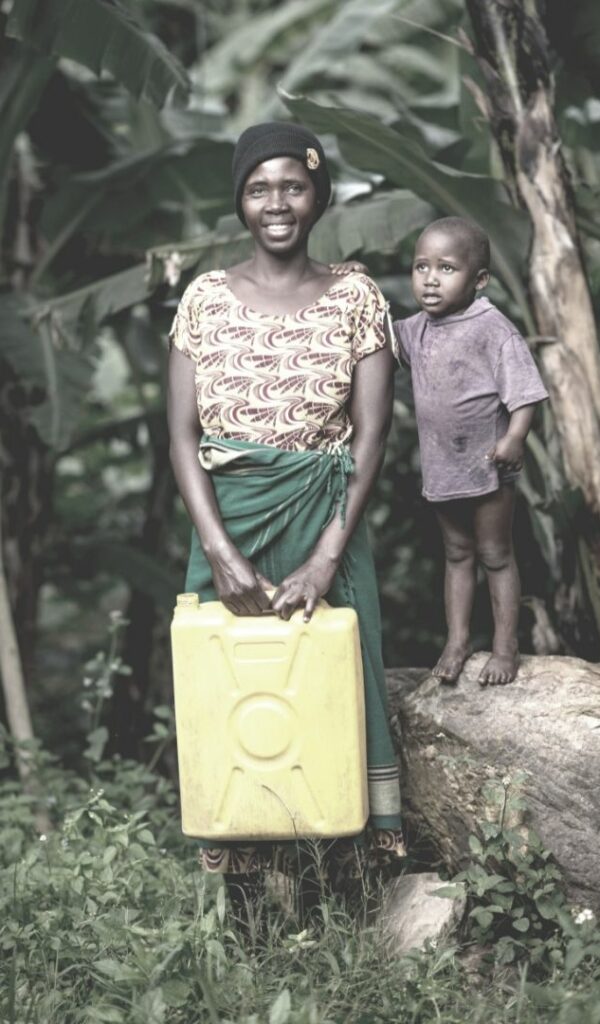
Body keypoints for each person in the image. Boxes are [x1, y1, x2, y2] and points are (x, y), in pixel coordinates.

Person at [167, 122, 404, 932]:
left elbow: (373, 435)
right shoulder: (203, 297)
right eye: (260, 187)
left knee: (330, 688)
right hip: (228, 523)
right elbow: (181, 437)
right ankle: (245, 917)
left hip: (326, 517)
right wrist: (219, 553)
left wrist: (327, 553)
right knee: (235, 693)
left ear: (317, 195)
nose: (278, 203)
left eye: (293, 187)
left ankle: (336, 902)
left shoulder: (357, 294)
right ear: (240, 199)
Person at [392, 216, 548, 687]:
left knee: (495, 554)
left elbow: (525, 394)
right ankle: (457, 640)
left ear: (479, 280)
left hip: (487, 466)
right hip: (442, 468)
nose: (430, 279)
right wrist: (352, 282)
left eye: (446, 268)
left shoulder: (492, 327)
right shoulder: (416, 329)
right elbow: (374, 332)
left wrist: (514, 438)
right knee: (457, 554)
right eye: (421, 267)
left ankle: (505, 647)